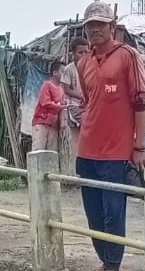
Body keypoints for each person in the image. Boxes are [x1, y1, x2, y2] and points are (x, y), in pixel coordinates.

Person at [76, 1, 145, 271]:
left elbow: (141, 101)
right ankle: (104, 262)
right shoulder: (84, 63)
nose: (95, 29)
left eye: (100, 24)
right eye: (90, 25)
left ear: (112, 26)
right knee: (93, 211)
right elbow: (88, 101)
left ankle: (114, 266)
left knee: (113, 209)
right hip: (88, 148)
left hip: (116, 150)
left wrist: (139, 145)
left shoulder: (128, 56)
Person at [58, 38, 89, 175]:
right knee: (85, 132)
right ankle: (79, 171)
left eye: (86, 52)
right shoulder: (69, 69)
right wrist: (82, 97)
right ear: (73, 53)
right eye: (80, 52)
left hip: (88, 106)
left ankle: (81, 170)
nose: (83, 55)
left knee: (79, 140)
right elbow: (66, 89)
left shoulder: (91, 66)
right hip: (75, 107)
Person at [31, 61, 66, 152]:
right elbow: (45, 102)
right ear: (55, 73)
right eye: (62, 71)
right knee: (38, 151)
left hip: (53, 125)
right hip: (42, 121)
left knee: (52, 152)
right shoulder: (47, 85)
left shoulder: (61, 88)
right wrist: (61, 107)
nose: (64, 74)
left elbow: (62, 103)